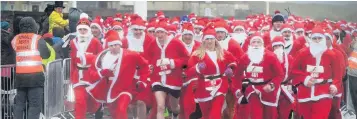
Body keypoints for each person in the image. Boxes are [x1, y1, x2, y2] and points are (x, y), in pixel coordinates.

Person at [86, 30, 150, 119]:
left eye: (116, 45)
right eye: (111, 45)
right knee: (115, 114)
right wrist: (101, 73)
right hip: (108, 90)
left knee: (121, 108)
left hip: (125, 88)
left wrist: (142, 80)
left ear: (120, 44)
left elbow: (145, 65)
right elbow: (91, 72)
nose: (114, 47)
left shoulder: (130, 55)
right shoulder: (102, 57)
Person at [184, 23, 237, 119]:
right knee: (206, 115)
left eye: (211, 38)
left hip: (220, 84)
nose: (209, 41)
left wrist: (230, 69)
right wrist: (197, 68)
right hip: (203, 86)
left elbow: (234, 62)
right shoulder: (197, 54)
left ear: (215, 40)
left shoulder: (223, 52)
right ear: (203, 41)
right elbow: (188, 72)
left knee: (215, 113)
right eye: (207, 39)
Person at [291, 27, 341, 119]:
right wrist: (305, 79)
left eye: (319, 38)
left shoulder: (331, 55)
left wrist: (335, 85)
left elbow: (338, 74)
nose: (317, 41)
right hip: (305, 93)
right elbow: (293, 70)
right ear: (311, 39)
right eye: (314, 38)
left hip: (324, 93)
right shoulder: (302, 53)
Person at [144, 19, 189, 119]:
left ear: (166, 33)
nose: (159, 35)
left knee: (174, 107)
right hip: (158, 79)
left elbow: (186, 59)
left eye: (161, 32)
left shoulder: (176, 43)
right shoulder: (153, 43)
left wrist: (172, 62)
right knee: (160, 107)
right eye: (157, 32)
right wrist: (150, 66)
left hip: (174, 79)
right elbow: (147, 58)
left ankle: (176, 114)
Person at [232, 33, 284, 119]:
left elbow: (280, 74)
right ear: (250, 44)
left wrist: (272, 85)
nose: (256, 44)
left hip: (268, 90)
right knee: (256, 115)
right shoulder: (245, 57)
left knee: (270, 115)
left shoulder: (271, 56)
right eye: (254, 42)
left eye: (258, 42)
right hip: (252, 89)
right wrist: (237, 89)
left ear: (262, 44)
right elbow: (237, 75)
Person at [11, 17, 50, 119]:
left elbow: (16, 50)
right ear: (34, 26)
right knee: (34, 105)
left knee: (19, 104)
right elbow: (46, 54)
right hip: (35, 77)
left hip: (20, 78)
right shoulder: (37, 38)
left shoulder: (16, 39)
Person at [69, 18, 103, 119]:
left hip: (92, 76)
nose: (83, 32)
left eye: (85, 30)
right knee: (79, 101)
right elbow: (71, 61)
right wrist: (70, 77)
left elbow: (101, 59)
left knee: (93, 102)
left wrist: (100, 75)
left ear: (88, 30)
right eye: (80, 30)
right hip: (78, 76)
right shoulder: (72, 43)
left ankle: (97, 109)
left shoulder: (95, 42)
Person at [121, 17, 155, 119]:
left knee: (141, 101)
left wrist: (152, 66)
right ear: (132, 29)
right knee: (131, 103)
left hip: (144, 74)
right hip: (129, 75)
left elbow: (155, 54)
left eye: (140, 29)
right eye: (136, 29)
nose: (138, 32)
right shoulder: (125, 41)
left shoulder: (149, 39)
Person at [177, 22, 201, 119]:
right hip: (178, 78)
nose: (187, 37)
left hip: (193, 78)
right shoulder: (176, 44)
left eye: (190, 35)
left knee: (190, 103)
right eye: (185, 34)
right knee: (179, 104)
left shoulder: (199, 46)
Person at [270, 36, 295, 119]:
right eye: (275, 46)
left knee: (285, 113)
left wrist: (292, 86)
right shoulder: (268, 58)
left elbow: (293, 73)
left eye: (279, 46)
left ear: (283, 47)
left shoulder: (290, 58)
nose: (278, 48)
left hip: (285, 89)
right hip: (272, 89)